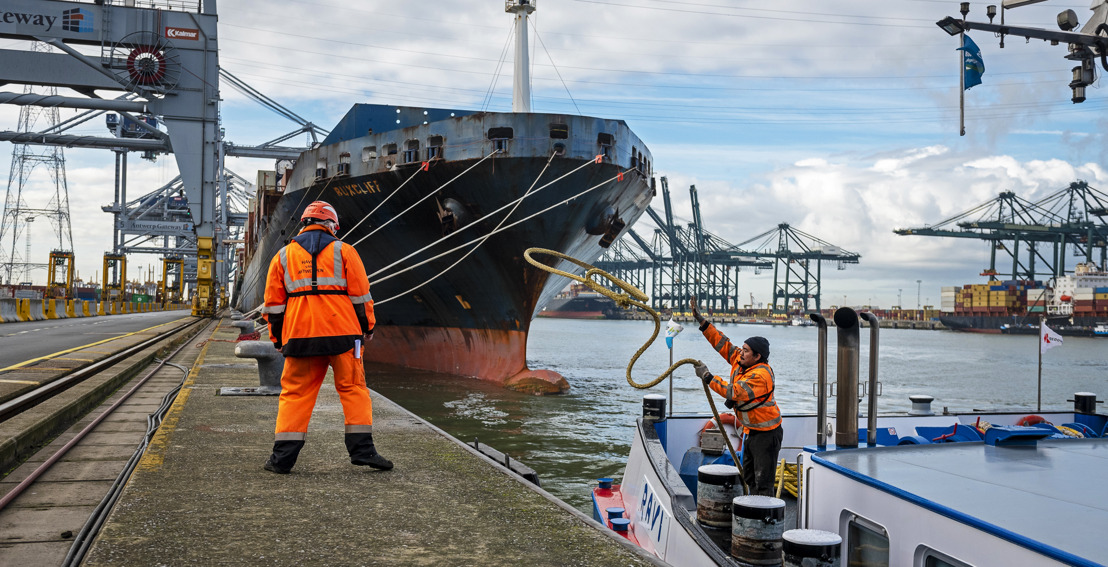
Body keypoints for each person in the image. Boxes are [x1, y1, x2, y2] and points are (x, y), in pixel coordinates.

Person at [261, 200, 393, 473]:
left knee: (295, 395)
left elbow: (273, 307)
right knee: (353, 389)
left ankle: (282, 459)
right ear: (332, 226)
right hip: (344, 336)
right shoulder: (346, 251)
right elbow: (361, 298)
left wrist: (277, 340)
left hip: (299, 337)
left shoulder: (283, 256)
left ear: (304, 224)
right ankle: (363, 452)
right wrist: (367, 328)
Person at [689, 296, 781, 496]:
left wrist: (707, 376)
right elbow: (722, 343)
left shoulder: (761, 376)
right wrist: (702, 321)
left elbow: (733, 392)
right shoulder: (743, 360)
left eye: (746, 351)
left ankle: (762, 519)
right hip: (751, 431)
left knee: (762, 481)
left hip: (767, 435)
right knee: (748, 475)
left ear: (757, 357)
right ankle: (750, 506)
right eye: (743, 349)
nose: (741, 353)